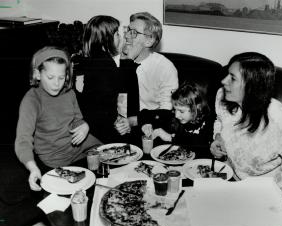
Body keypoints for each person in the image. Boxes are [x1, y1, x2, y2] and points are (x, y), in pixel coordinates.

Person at [210, 52, 282, 202]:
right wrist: (218, 137)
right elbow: (220, 120)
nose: (224, 81)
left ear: (252, 86)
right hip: (231, 181)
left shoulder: (279, 119)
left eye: (232, 78)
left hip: (270, 193)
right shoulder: (222, 96)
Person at [15, 46, 102, 191]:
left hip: (82, 148)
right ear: (37, 74)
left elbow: (77, 120)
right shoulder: (31, 100)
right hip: (56, 159)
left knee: (112, 166)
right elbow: (23, 139)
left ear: (67, 76)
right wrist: (32, 167)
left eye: (61, 78)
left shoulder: (69, 93)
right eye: (50, 77)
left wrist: (85, 126)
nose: (57, 83)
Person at [78, 15, 139, 143]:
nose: (120, 37)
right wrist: (128, 61)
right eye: (117, 34)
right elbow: (123, 89)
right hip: (102, 125)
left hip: (95, 120)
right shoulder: (104, 62)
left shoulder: (94, 59)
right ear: (106, 39)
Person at [116, 12, 178, 137]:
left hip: (149, 127)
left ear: (149, 41)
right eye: (127, 30)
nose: (127, 36)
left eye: (133, 32)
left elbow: (167, 111)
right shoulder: (115, 62)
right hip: (119, 127)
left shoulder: (165, 67)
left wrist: (136, 121)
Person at [141, 81, 214, 157]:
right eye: (175, 109)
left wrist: (171, 138)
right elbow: (146, 114)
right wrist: (146, 124)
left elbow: (201, 144)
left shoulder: (209, 121)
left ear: (197, 108)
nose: (176, 115)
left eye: (181, 111)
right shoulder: (176, 118)